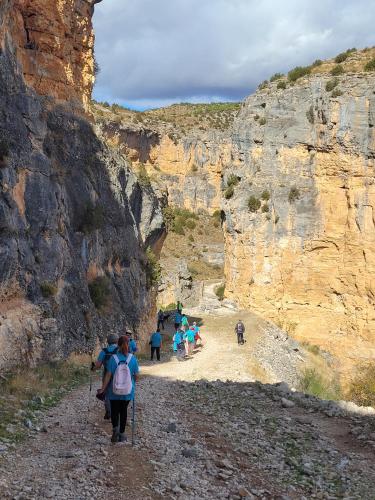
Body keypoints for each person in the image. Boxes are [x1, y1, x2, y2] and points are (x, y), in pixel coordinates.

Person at [97, 335, 139, 443]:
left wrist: (103, 388)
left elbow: (108, 376)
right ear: (128, 345)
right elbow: (137, 377)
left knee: (115, 411)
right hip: (128, 391)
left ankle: (115, 429)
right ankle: (122, 433)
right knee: (123, 411)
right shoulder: (133, 359)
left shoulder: (113, 359)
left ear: (118, 345)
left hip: (114, 390)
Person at [92, 333, 118, 419]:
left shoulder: (104, 351)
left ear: (108, 341)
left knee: (106, 392)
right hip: (118, 374)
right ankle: (116, 411)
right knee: (117, 391)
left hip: (106, 373)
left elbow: (98, 365)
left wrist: (93, 368)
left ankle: (108, 411)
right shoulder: (119, 350)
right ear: (117, 341)